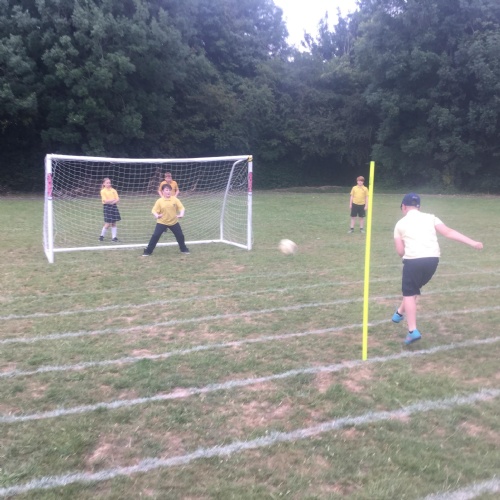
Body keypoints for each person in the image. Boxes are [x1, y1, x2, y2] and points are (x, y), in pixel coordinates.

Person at [392, 193, 483, 345]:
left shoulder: (399, 224)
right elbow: (448, 232)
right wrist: (472, 242)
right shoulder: (431, 217)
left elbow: (400, 252)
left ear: (404, 206)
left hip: (413, 261)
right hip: (432, 260)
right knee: (413, 289)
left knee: (408, 293)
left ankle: (412, 330)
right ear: (419, 207)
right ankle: (399, 313)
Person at [143, 183, 189, 256]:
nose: (168, 191)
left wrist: (181, 214)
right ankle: (148, 251)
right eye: (166, 190)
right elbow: (153, 210)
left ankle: (183, 249)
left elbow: (182, 208)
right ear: (163, 191)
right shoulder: (159, 201)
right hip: (162, 222)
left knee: (180, 235)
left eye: (169, 190)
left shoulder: (175, 199)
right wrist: (157, 215)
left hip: (173, 222)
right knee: (155, 235)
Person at [99, 178, 121, 242]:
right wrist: (113, 200)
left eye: (109, 183)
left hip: (114, 207)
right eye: (107, 183)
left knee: (114, 222)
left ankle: (114, 238)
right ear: (104, 184)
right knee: (108, 223)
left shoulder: (113, 190)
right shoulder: (103, 191)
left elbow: (117, 199)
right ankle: (101, 236)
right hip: (107, 207)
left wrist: (111, 201)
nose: (109, 184)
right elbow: (105, 201)